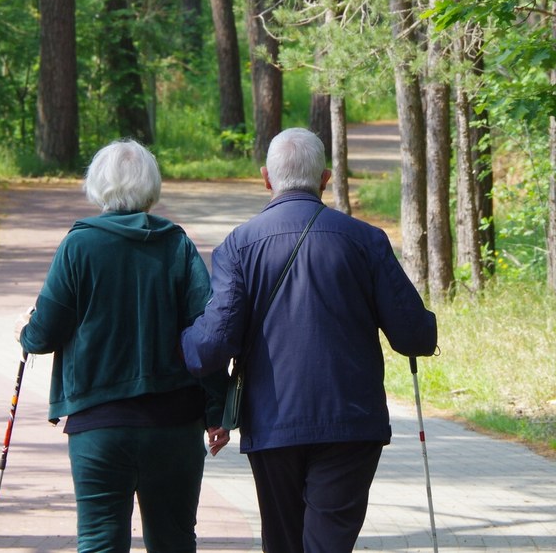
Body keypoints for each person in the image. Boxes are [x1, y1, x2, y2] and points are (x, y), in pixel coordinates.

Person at [181, 127, 438, 553]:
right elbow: (413, 335)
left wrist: (181, 343)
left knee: (282, 542)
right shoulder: (366, 240)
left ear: (266, 178)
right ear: (325, 178)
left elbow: (213, 344)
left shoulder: (238, 246)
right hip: (350, 422)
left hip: (273, 422)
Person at [16, 139, 229, 553]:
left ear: (97, 186)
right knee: (174, 542)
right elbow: (207, 333)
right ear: (152, 186)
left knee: (99, 542)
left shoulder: (79, 246)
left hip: (99, 425)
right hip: (174, 424)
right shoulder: (177, 245)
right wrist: (216, 411)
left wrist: (25, 330)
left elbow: (42, 335)